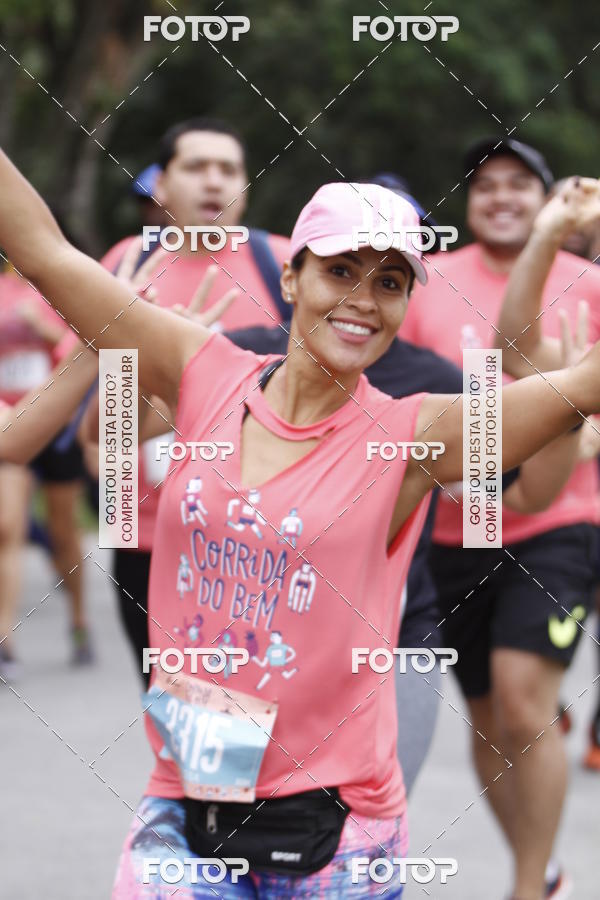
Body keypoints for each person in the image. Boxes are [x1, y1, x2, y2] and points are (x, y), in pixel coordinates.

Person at [3, 152, 600, 898]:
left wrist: (552, 244)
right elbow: (43, 251)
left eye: (389, 281)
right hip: (189, 793)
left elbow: (573, 398)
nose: (362, 299)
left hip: (338, 827)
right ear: (292, 277)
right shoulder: (202, 368)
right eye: (341, 270)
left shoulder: (413, 433)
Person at [401, 138, 600, 900]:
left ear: (551, 200)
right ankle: (543, 868)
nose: (502, 198)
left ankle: (526, 889)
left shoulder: (586, 282)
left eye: (521, 185)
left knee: (522, 703)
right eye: (485, 187)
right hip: (453, 534)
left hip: (556, 524)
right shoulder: (422, 285)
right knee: (489, 720)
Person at [98, 118, 290, 688]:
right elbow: (104, 419)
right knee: (178, 713)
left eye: (228, 170)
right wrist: (117, 515)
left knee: (270, 712)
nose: (214, 181)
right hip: (154, 541)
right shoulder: (126, 265)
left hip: (266, 540)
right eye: (196, 167)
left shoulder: (283, 264)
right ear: (161, 185)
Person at [495, 176, 600, 777]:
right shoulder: (436, 273)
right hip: (481, 522)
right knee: (500, 712)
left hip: (564, 522)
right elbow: (513, 352)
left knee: (521, 702)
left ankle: (536, 876)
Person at [0, 334, 98, 678]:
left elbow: (79, 348)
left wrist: (39, 326)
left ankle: (79, 619)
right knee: (7, 527)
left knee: (62, 530)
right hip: (8, 423)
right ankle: (5, 640)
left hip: (57, 423)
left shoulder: (57, 283)